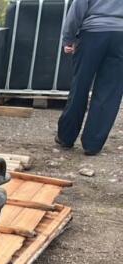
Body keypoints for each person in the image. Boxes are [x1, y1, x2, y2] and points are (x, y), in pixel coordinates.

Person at [55, 0, 123, 156]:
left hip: (93, 34)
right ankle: (93, 144)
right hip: (120, 36)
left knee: (80, 85)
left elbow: (77, 9)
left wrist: (68, 38)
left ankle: (66, 137)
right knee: (110, 91)